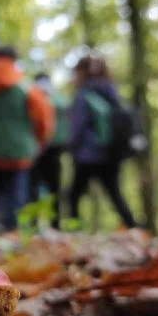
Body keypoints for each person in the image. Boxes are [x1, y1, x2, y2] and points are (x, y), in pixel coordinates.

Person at [0, 46, 53, 232]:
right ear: (14, 60)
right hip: (19, 151)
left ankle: (1, 227)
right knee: (17, 193)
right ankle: (12, 232)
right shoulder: (26, 88)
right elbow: (44, 118)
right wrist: (38, 141)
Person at [67, 56, 137, 228]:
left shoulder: (84, 94)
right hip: (111, 153)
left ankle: (75, 233)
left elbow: (77, 126)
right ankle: (134, 228)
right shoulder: (110, 90)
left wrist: (69, 146)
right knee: (115, 194)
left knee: (73, 196)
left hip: (88, 154)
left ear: (82, 72)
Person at [29, 72, 71, 229]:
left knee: (54, 189)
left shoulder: (57, 99)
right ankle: (34, 225)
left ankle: (55, 225)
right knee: (32, 189)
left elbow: (65, 116)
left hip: (53, 149)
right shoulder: (32, 97)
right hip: (36, 149)